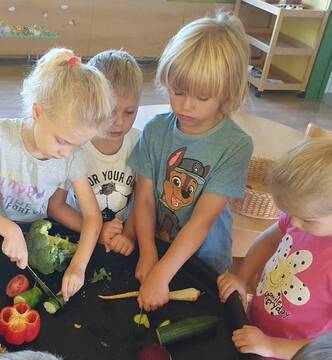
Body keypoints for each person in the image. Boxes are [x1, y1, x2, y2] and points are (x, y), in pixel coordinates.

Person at [0, 47, 113, 301]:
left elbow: (93, 217)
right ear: (37, 113)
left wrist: (78, 267)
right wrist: (9, 229)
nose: (67, 152)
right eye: (62, 140)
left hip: (35, 241)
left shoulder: (70, 156)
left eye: (77, 144)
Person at [129, 12, 253, 311]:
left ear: (227, 93)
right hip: (157, 244)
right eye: (178, 91)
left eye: (202, 97)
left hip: (205, 258)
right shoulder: (156, 129)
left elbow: (202, 221)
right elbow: (143, 199)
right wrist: (148, 255)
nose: (185, 104)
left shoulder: (235, 145)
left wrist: (161, 272)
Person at [218, 139, 332, 359]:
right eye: (291, 213)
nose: (295, 224)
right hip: (255, 326)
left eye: (307, 220)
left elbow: (326, 348)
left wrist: (270, 346)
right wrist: (242, 277)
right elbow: (268, 241)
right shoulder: (300, 217)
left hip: (289, 352)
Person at [48, 49, 143, 256]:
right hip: (79, 231)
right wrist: (94, 231)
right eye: (110, 111)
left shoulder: (139, 141)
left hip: (124, 235)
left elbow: (143, 198)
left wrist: (129, 234)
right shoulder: (74, 144)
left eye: (130, 112)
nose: (119, 122)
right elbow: (56, 206)